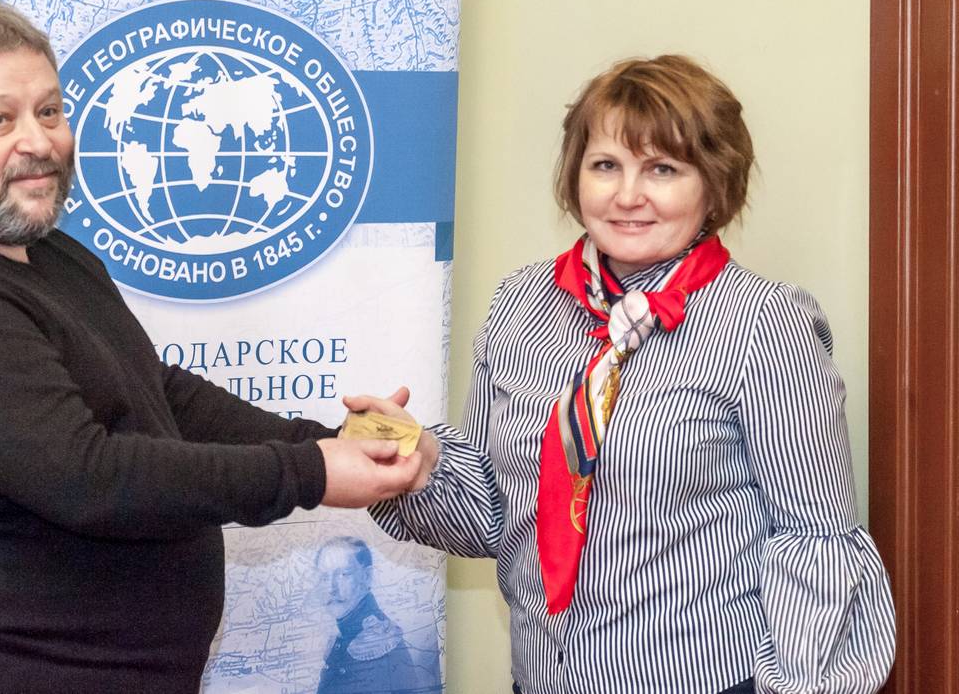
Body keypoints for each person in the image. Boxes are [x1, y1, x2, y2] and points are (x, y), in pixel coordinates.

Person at [0, 0, 421, 694]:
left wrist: (329, 441)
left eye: (49, 112)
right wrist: (310, 472)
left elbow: (158, 393)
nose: (38, 142)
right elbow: (89, 478)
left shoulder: (50, 255)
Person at [354, 55, 896, 693]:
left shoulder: (765, 320)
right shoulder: (519, 304)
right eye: (606, 165)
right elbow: (499, 518)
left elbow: (816, 536)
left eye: (662, 169)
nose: (627, 195)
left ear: (714, 185)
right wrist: (421, 458)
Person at [313, 537, 441, 694]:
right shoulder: (343, 636)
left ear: (367, 577)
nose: (331, 588)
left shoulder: (379, 642)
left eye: (344, 574)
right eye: (324, 577)